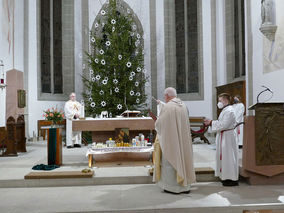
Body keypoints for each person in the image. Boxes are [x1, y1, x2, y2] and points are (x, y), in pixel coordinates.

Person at [154, 87, 196, 194]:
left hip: (171, 141)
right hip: (183, 141)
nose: (164, 98)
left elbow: (160, 124)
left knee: (170, 163)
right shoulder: (183, 105)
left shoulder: (168, 107)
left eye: (165, 96)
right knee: (184, 160)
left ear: (167, 96)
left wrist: (156, 123)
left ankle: (172, 187)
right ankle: (185, 187)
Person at [204, 93, 239, 186]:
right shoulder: (225, 110)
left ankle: (231, 179)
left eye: (220, 101)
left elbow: (224, 125)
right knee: (224, 157)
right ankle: (225, 177)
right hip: (224, 136)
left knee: (229, 157)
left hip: (228, 137)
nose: (219, 103)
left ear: (226, 100)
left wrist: (211, 122)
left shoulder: (230, 111)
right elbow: (221, 123)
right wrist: (212, 122)